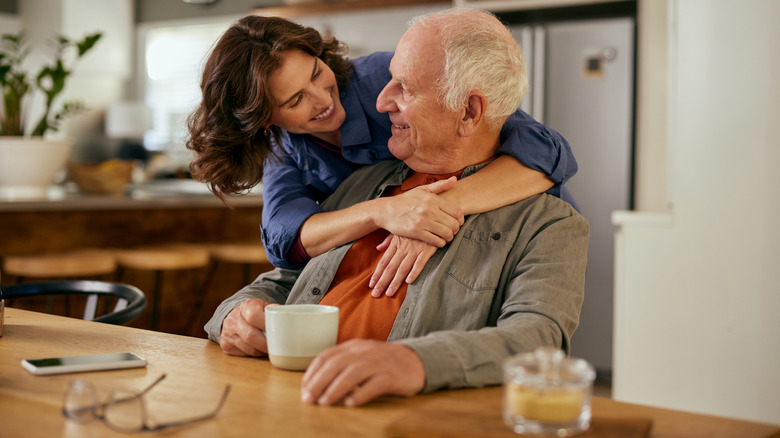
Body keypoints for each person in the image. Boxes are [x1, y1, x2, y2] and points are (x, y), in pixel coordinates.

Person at [205, 8, 588, 408]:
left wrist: (412, 361)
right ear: (268, 121)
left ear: (468, 111)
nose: (381, 101)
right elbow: (286, 269)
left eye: (403, 87)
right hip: (286, 397)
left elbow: (537, 338)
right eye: (296, 99)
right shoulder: (363, 186)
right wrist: (232, 315)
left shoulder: (547, 223)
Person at [186, 15, 578, 297]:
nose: (324, 99)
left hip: (509, 231)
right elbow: (285, 239)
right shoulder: (283, 148)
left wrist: (437, 207)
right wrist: (382, 212)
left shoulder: (382, 79)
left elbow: (545, 149)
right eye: (296, 100)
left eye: (315, 72)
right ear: (265, 121)